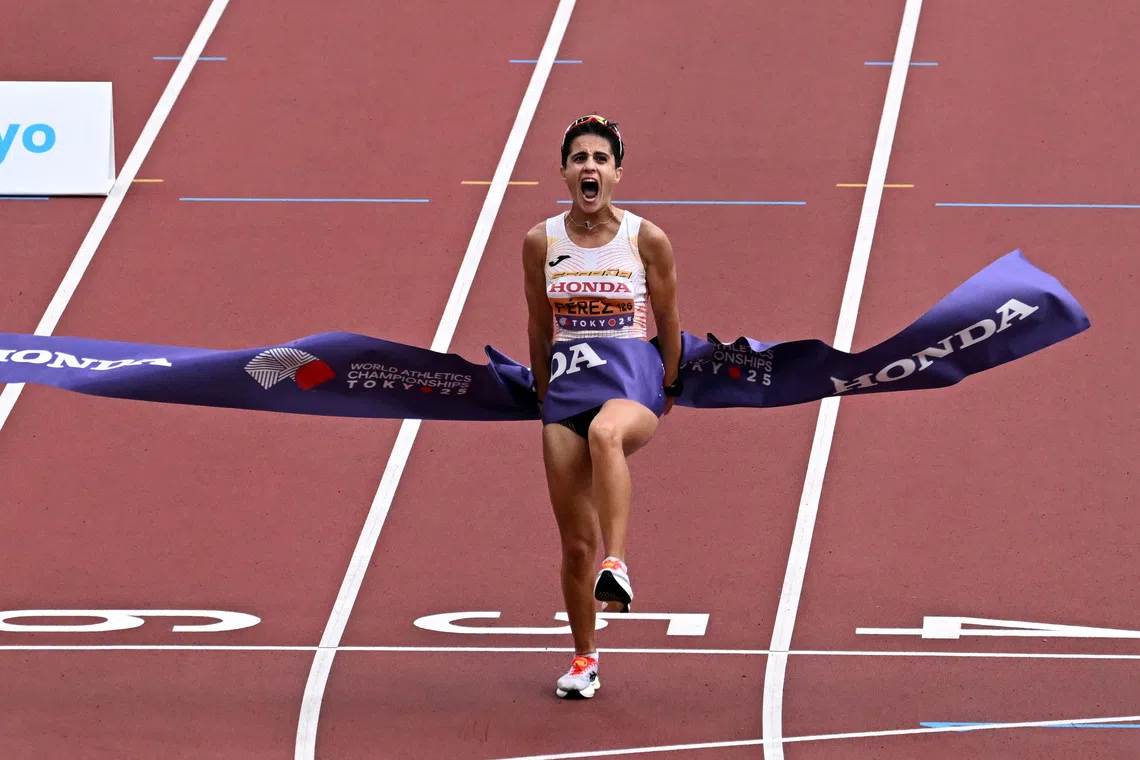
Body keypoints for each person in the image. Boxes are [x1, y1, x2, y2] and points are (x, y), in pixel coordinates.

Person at [521, 114, 682, 699]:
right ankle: (584, 659)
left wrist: (666, 386)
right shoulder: (542, 241)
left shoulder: (645, 239)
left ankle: (618, 564)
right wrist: (543, 394)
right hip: (566, 388)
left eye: (600, 158)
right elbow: (540, 326)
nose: (590, 166)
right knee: (572, 546)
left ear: (617, 171)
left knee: (607, 436)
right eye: (579, 157)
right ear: (565, 171)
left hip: (633, 378)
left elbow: (669, 318)